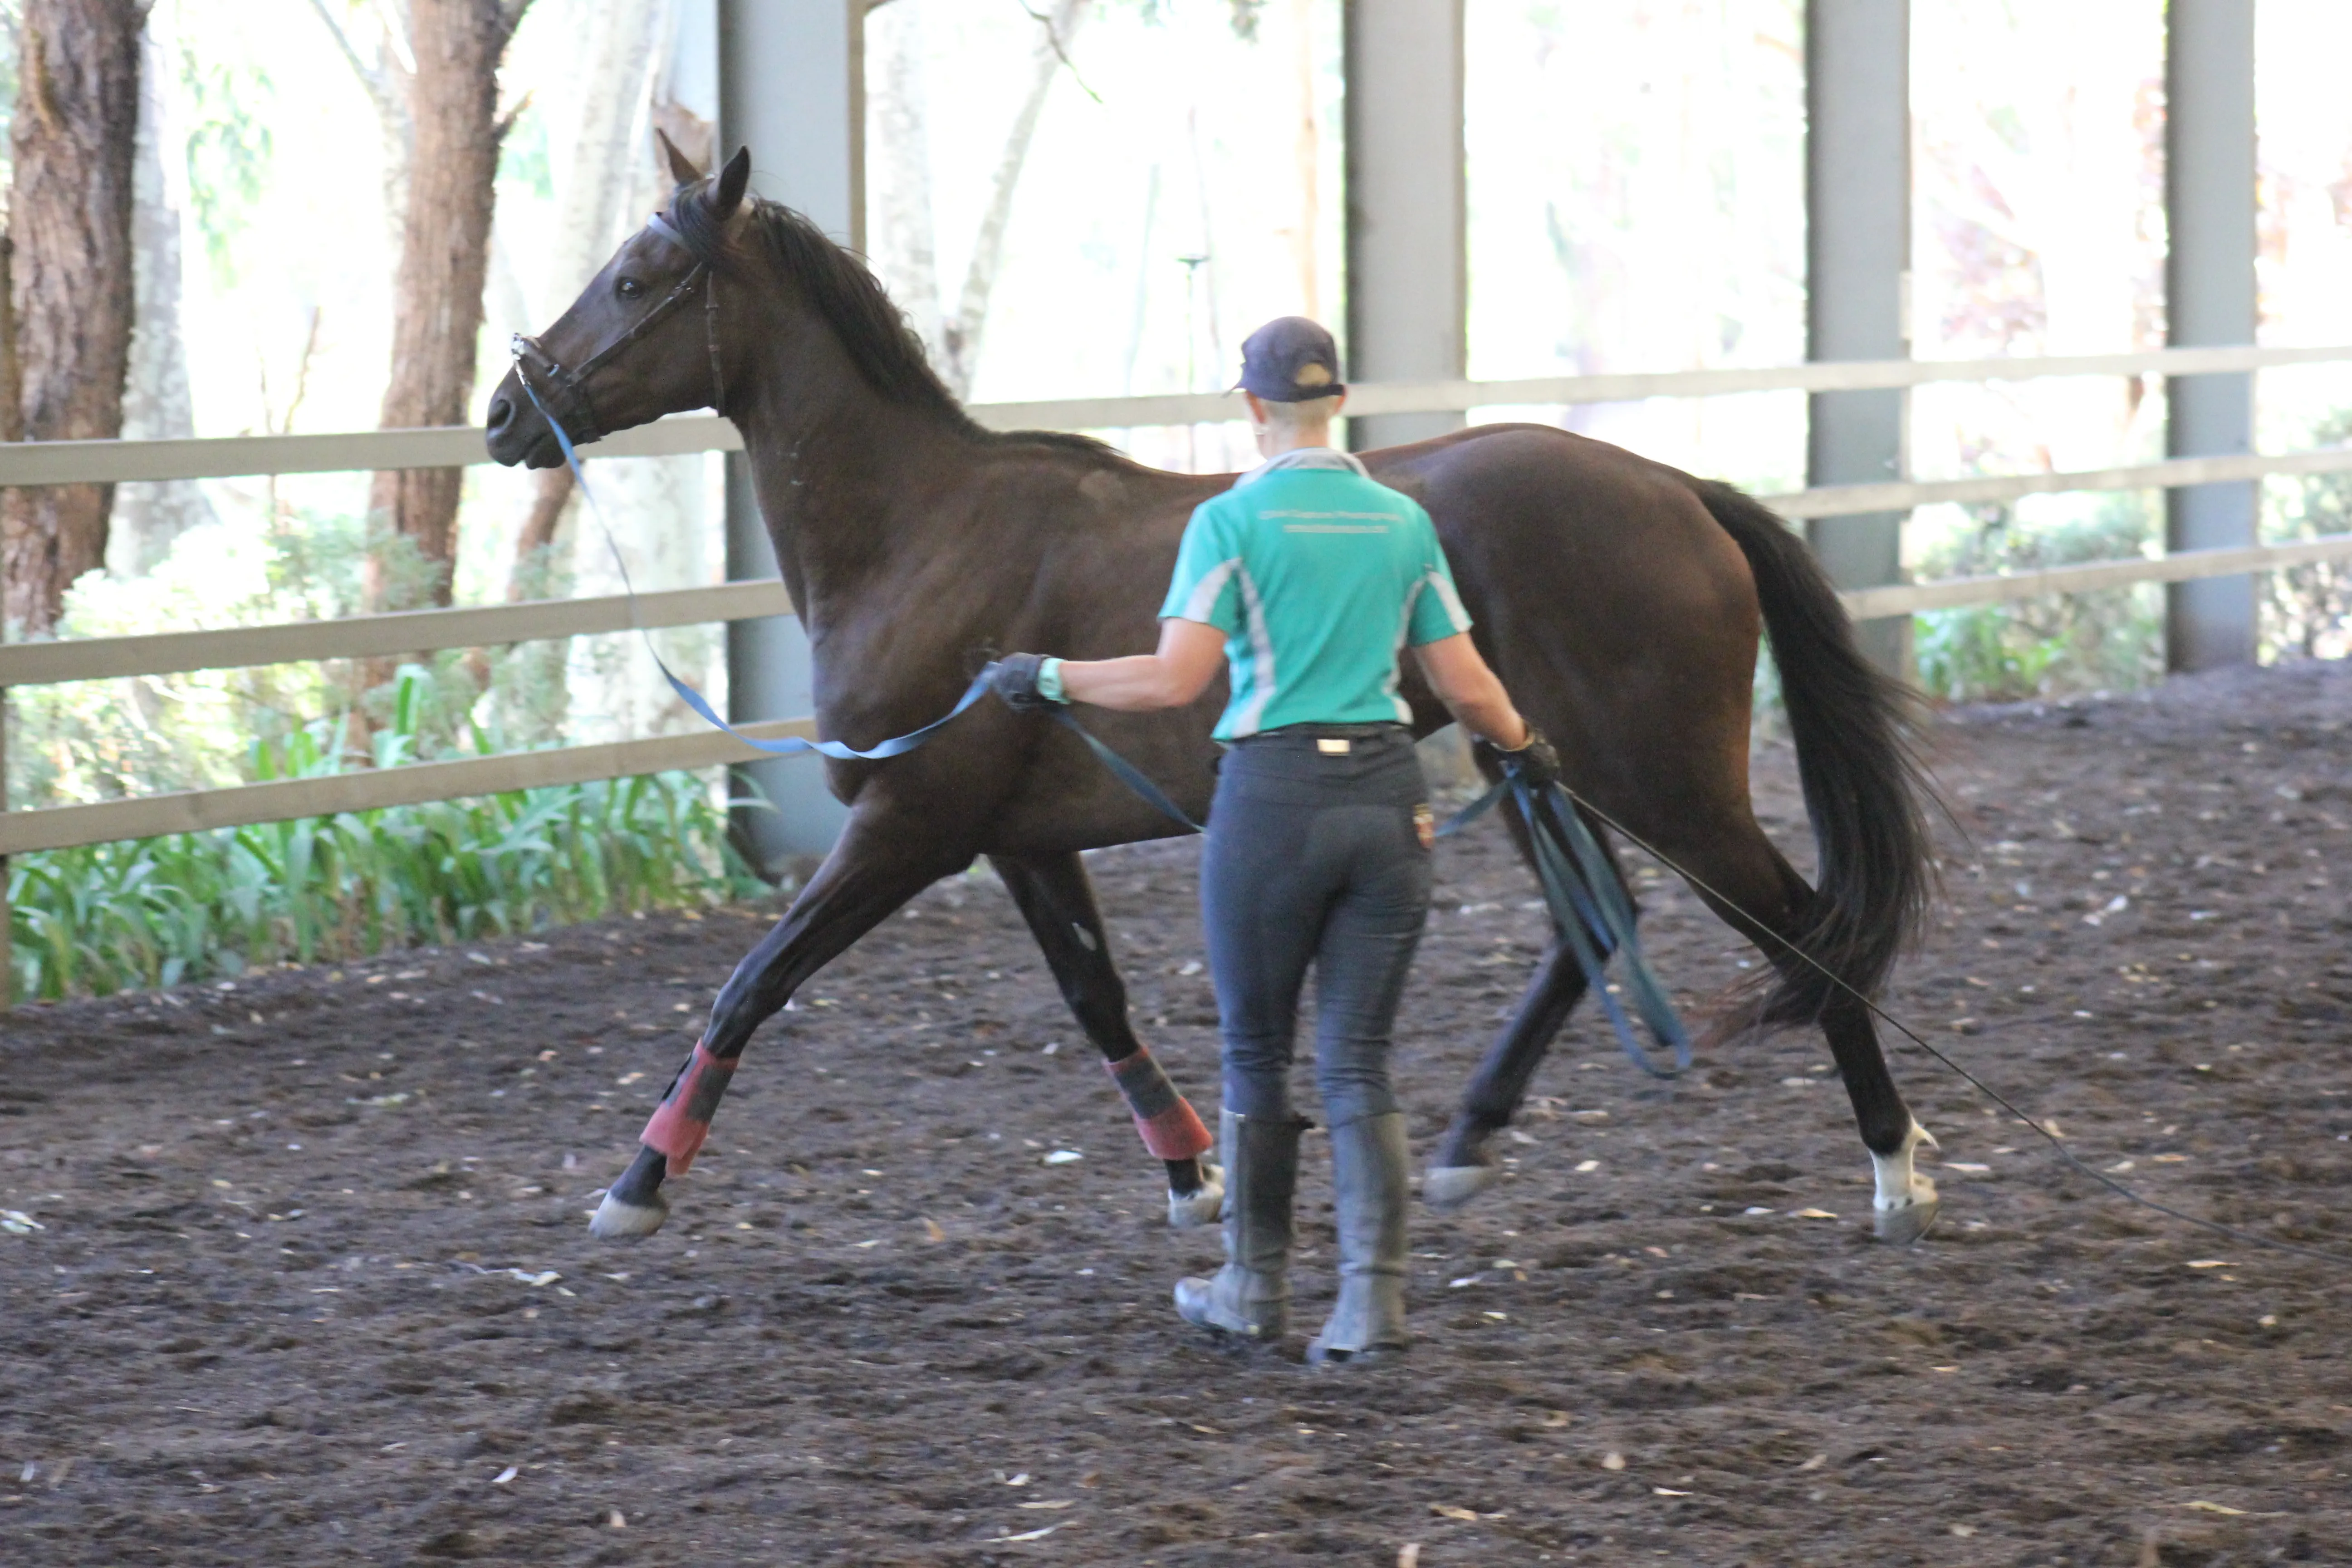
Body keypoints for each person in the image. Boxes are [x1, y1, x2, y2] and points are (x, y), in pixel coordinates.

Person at [990, 317, 1555, 1362]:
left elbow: (1173, 678)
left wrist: (1049, 676)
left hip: (1273, 807)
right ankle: (1371, 1305)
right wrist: (1525, 746)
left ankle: (1253, 1287)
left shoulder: (1228, 524)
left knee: (1258, 1052)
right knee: (1360, 1062)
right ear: (1337, 400)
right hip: (1389, 804)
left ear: (1252, 409)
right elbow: (1467, 686)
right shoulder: (1401, 524)